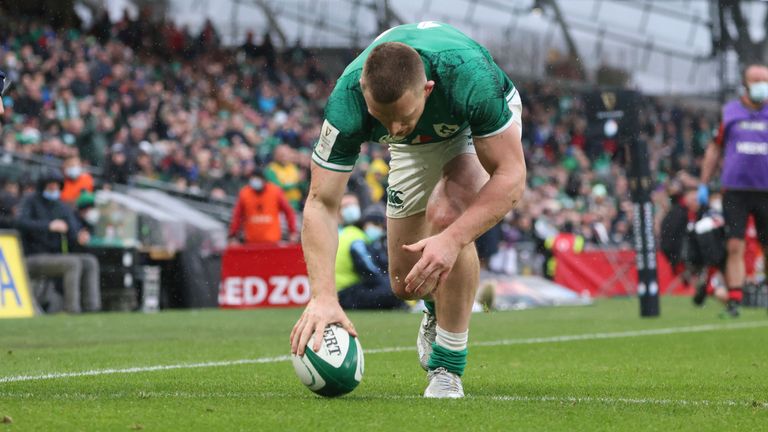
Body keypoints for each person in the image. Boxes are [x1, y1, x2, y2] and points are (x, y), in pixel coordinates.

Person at [290, 22, 525, 398]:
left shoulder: (469, 78)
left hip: (464, 125)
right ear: (364, 92)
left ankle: (447, 368)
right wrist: (323, 297)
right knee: (405, 283)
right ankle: (435, 307)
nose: (393, 129)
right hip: (416, 148)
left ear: (427, 89)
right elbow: (321, 202)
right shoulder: (347, 102)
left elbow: (512, 175)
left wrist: (451, 240)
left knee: (450, 216)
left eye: (401, 116)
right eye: (382, 120)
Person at [699, 64, 768, 318]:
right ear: (746, 84)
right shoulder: (730, 113)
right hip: (736, 190)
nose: (763, 84)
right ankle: (735, 301)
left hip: (766, 189)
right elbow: (715, 149)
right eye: (757, 80)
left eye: (766, 80)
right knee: (734, 245)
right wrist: (704, 184)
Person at [15, 170, 101, 313]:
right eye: (50, 186)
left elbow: (73, 230)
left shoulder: (61, 206)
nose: (54, 189)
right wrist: (48, 226)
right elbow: (20, 223)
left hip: (56, 256)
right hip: (34, 256)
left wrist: (80, 235)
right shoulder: (30, 201)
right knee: (72, 263)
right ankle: (72, 309)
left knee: (90, 261)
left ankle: (92, 307)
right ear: (43, 186)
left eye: (56, 186)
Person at [335, 193, 403, 310]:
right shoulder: (356, 239)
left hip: (342, 291)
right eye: (376, 224)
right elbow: (370, 271)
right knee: (393, 290)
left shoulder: (347, 233)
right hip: (344, 293)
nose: (379, 229)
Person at [228, 167, 299, 245]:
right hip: (251, 243)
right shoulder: (244, 193)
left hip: (272, 242)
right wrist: (233, 235)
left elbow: (288, 212)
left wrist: (292, 231)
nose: (255, 181)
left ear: (264, 179)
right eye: (253, 178)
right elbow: (237, 216)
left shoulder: (275, 192)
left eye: (258, 178)